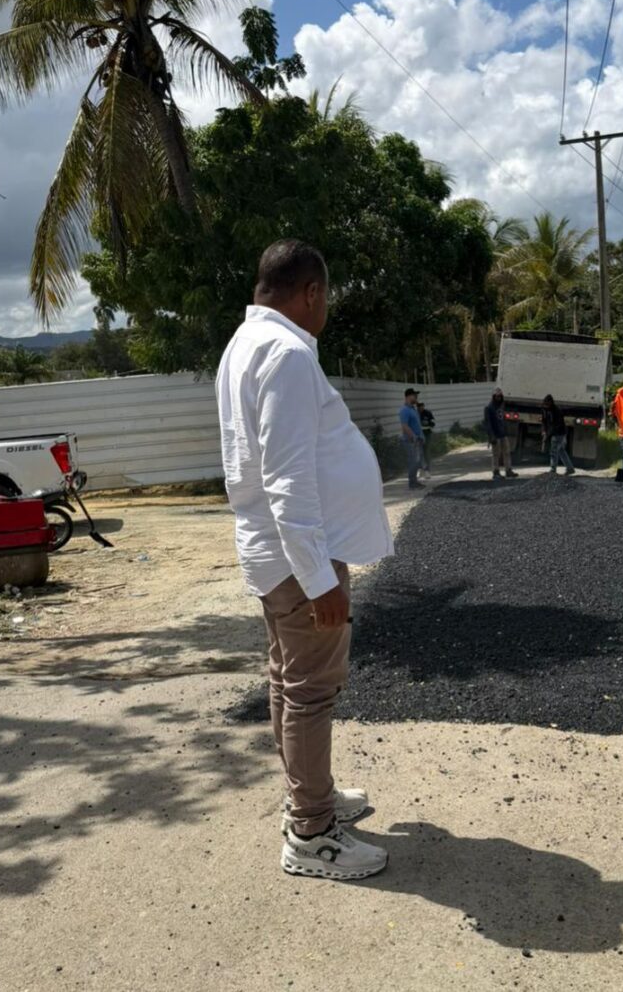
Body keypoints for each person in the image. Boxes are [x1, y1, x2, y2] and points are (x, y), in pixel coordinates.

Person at [216, 239, 392, 882]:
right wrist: (321, 581)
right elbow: (287, 478)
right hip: (299, 559)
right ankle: (313, 834)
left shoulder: (242, 345)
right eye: (329, 297)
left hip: (278, 554)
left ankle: (308, 799)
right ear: (311, 292)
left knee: (288, 684)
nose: (328, 309)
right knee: (311, 692)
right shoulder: (286, 353)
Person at [484, 387, 517, 479]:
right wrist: (491, 436)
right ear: (494, 397)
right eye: (497, 396)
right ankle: (496, 472)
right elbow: (488, 424)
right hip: (496, 435)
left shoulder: (501, 406)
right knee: (496, 454)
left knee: (507, 452)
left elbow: (503, 420)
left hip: (503, 434)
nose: (499, 398)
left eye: (500, 396)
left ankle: (508, 470)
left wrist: (506, 430)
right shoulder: (489, 408)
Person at [541, 394, 575, 475]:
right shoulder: (545, 409)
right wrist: (544, 431)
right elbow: (544, 421)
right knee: (561, 451)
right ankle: (570, 468)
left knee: (554, 451)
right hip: (554, 432)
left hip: (559, 433)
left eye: (547, 404)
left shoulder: (556, 411)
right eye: (545, 404)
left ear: (551, 403)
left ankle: (553, 470)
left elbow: (556, 425)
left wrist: (548, 434)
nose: (546, 406)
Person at [399, 388, 425, 490]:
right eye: (415, 395)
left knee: (417, 462)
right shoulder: (404, 410)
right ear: (409, 396)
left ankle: (415, 481)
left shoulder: (412, 409)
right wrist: (413, 437)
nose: (416, 398)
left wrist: (421, 437)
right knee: (413, 461)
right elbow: (405, 426)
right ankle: (412, 483)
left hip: (418, 439)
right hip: (410, 440)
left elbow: (417, 425)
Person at [418, 401, 435, 476]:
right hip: (418, 435)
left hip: (427, 434)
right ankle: (420, 469)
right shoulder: (416, 414)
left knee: (426, 452)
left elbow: (432, 423)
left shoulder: (428, 413)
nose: (421, 408)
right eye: (419, 406)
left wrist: (428, 424)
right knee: (419, 452)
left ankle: (427, 469)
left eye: (422, 406)